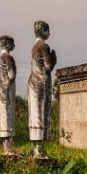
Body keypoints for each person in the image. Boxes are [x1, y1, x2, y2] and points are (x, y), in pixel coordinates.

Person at [29, 20, 57, 158]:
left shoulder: (34, 46)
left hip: (33, 82)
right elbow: (48, 66)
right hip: (41, 82)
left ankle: (37, 149)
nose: (49, 33)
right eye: (48, 30)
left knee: (35, 115)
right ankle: (39, 150)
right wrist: (54, 59)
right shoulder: (43, 46)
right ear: (43, 31)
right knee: (41, 115)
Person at [0, 35, 17, 154]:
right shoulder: (8, 57)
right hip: (8, 88)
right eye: (12, 43)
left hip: (0, 89)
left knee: (3, 117)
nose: (14, 46)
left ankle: (5, 147)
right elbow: (12, 75)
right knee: (8, 116)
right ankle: (8, 148)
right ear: (8, 43)